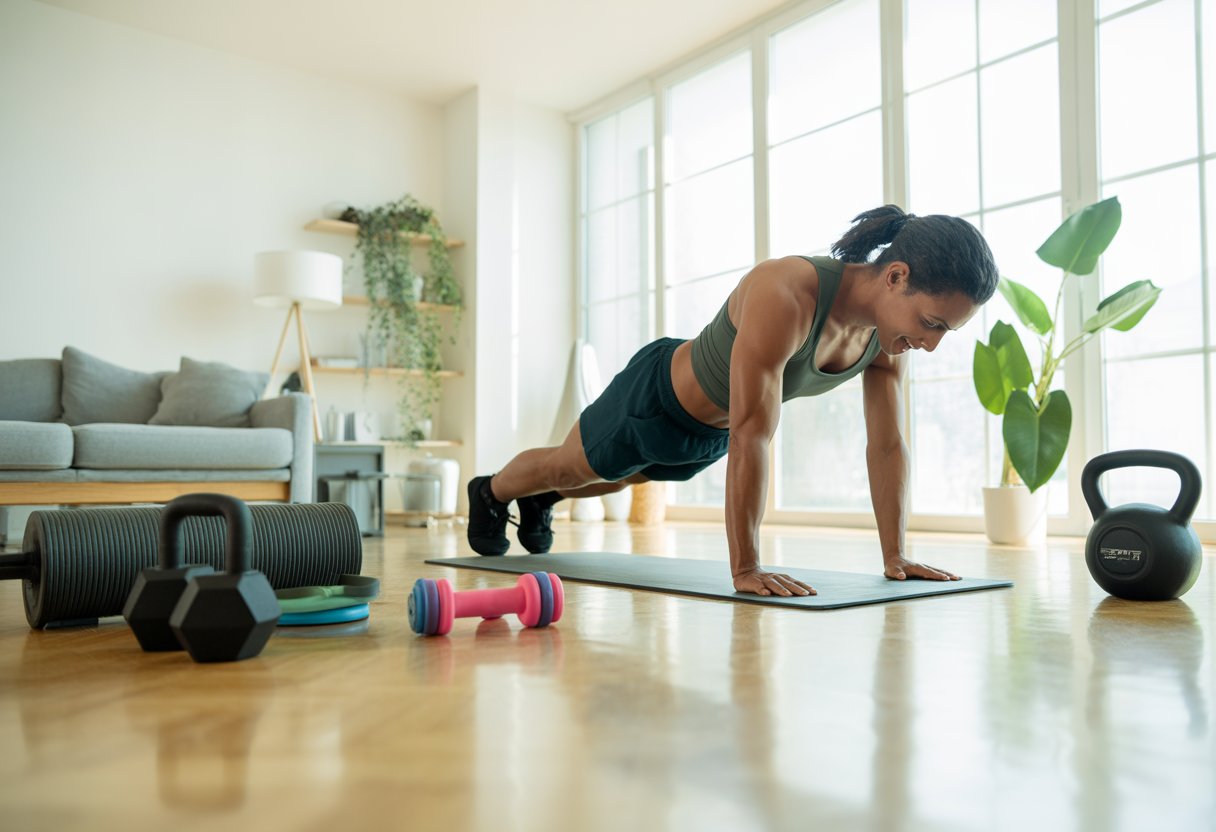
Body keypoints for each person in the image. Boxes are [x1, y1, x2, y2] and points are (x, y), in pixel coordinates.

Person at [465, 205, 999, 597]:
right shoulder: (787, 291)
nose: (930, 344)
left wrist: (895, 555)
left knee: (626, 474)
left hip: (710, 434)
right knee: (570, 466)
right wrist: (746, 567)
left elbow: (887, 447)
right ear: (896, 275)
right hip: (654, 400)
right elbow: (754, 434)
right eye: (931, 324)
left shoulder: (887, 339)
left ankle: (540, 500)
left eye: (944, 332)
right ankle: (490, 492)